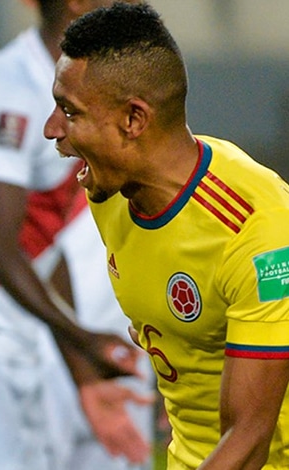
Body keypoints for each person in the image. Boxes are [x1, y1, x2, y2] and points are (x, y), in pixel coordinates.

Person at [44, 2, 289, 469]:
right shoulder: (109, 194)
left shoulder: (259, 230)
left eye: (69, 112)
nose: (52, 130)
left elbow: (252, 437)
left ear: (134, 120)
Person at [0, 1, 155, 469]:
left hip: (25, 339)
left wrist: (84, 375)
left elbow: (42, 247)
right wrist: (83, 338)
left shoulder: (78, 93)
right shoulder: (4, 89)